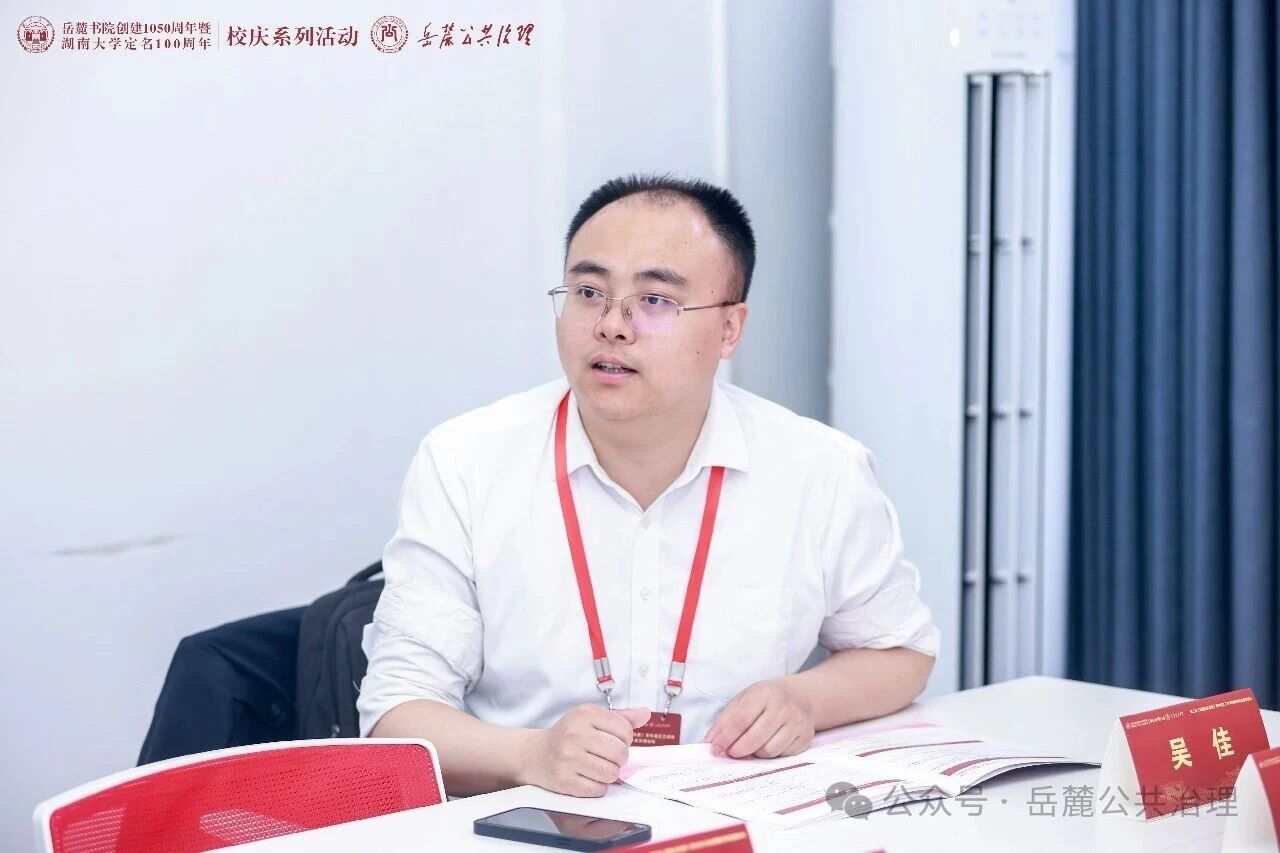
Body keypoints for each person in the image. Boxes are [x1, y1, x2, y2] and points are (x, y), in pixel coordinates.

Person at [357, 174, 940, 797]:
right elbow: (396, 715)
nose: (613, 325)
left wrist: (804, 698)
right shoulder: (466, 462)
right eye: (589, 292)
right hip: (526, 817)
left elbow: (899, 652)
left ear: (729, 329)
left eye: (655, 300)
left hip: (739, 814)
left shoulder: (819, 469)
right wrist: (532, 754)